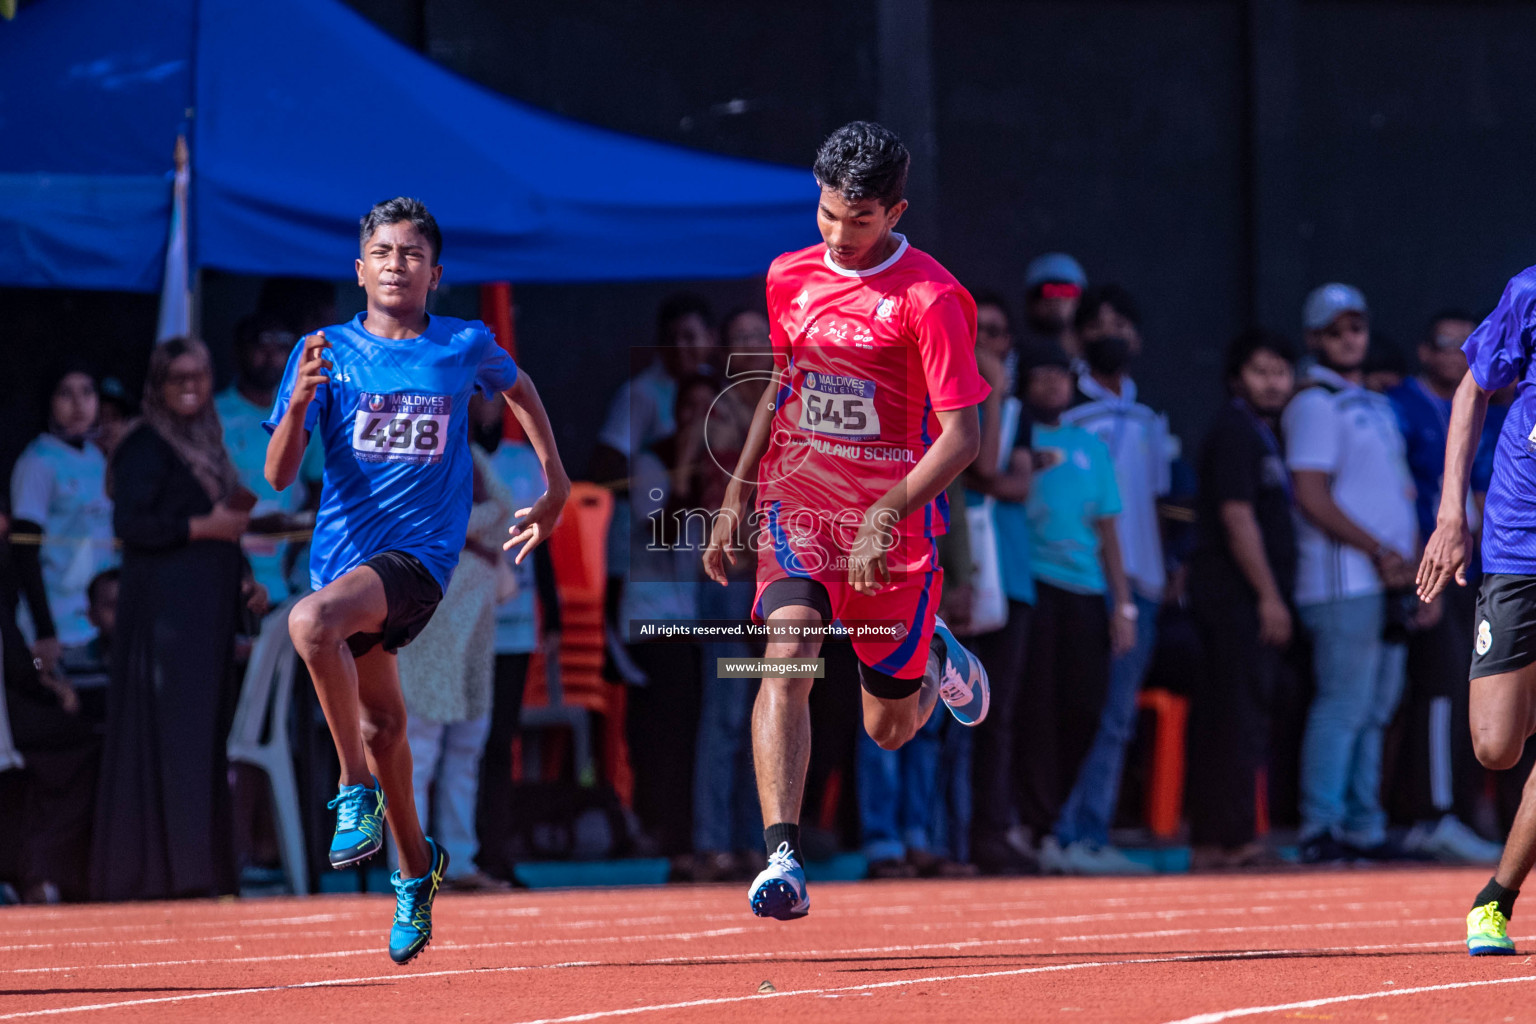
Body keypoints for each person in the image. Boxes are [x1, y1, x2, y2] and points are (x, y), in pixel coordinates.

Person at [264, 197, 568, 963]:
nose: (397, 264)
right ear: (358, 268)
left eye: (412, 253)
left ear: (436, 272)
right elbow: (276, 476)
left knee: (308, 624)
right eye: (384, 252)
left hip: (420, 561)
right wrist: (299, 405)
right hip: (346, 564)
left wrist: (556, 485)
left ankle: (351, 792)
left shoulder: (462, 344)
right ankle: (414, 868)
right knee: (386, 726)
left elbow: (522, 389)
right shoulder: (323, 351)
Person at [702, 121, 992, 921]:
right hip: (800, 508)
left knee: (890, 730)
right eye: (827, 214)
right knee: (785, 656)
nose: (838, 234)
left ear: (895, 212)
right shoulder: (787, 275)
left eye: (859, 220)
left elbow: (965, 437)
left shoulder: (932, 298)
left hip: (894, 528)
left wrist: (888, 511)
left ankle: (933, 655)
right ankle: (782, 858)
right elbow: (780, 385)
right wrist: (734, 496)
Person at [91, 337, 261, 901]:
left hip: (207, 618)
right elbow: (132, 525)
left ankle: (199, 869)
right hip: (164, 620)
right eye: (177, 378)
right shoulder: (144, 443)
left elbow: (225, 525)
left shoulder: (208, 442)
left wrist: (242, 580)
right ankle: (161, 874)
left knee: (203, 742)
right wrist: (201, 528)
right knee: (170, 741)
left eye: (200, 376)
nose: (190, 387)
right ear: (159, 385)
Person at [1417, 265, 1536, 955]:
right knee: (1496, 747)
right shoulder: (1528, 292)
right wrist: (1449, 514)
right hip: (1518, 543)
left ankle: (1496, 898)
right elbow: (1473, 388)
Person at [1284, 283, 1418, 862]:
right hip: (1344, 582)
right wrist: (1378, 549)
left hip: (1385, 578)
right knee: (1343, 703)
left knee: (1376, 707)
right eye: (1335, 330)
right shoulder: (1315, 402)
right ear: (1315, 339)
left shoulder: (1375, 403)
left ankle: (1363, 825)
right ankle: (1321, 826)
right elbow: (1310, 494)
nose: (1349, 338)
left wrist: (1409, 565)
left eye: (1356, 327)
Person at [1056, 283, 1172, 875]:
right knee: (1078, 710)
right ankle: (1065, 833)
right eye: (1097, 325)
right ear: (1077, 338)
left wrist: (1158, 576)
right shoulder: (1066, 414)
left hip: (1142, 586)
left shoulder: (1151, 418)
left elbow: (1154, 503)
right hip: (1085, 585)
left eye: (1121, 324)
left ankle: (1090, 833)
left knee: (1118, 716)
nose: (1111, 335)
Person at [1387, 311, 1504, 864]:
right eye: (1447, 343)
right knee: (1436, 691)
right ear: (1423, 350)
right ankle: (1433, 815)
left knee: (1468, 694)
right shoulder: (1399, 406)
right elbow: (1396, 491)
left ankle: (1453, 812)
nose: (1459, 352)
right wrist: (1419, 573)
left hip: (1475, 567)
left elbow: (1483, 488)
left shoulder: (1494, 407)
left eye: (1468, 343)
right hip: (1422, 563)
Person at [1014, 342, 1136, 873]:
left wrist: (1123, 606)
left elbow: (1109, 530)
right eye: (1040, 376)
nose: (1051, 386)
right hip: (1034, 587)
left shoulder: (1091, 446)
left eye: (1060, 377)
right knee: (1034, 712)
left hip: (1088, 595)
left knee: (1085, 711)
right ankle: (1035, 829)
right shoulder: (1011, 437)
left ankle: (1055, 825)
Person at [1185, 330, 1298, 869]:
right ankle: (1232, 838)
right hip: (1236, 598)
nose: (1273, 382)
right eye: (1261, 371)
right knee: (1236, 715)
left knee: (1233, 713)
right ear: (1236, 378)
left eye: (1281, 371)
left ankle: (1218, 837)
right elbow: (1236, 517)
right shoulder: (1235, 432)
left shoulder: (1261, 433)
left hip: (1242, 598)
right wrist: (1269, 597)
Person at [398, 397, 516, 893]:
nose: (485, 405)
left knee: (467, 744)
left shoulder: (474, 457)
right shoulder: (409, 461)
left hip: (474, 620)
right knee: (420, 746)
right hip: (430, 616)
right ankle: (413, 862)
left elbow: (504, 512)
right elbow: (437, 524)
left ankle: (460, 860)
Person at [961, 290, 1038, 874]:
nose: (986, 342)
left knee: (1000, 713)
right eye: (975, 331)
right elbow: (987, 470)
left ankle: (991, 829)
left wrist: (1005, 395)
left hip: (1010, 574)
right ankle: (948, 833)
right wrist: (995, 385)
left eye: (995, 332)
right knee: (944, 713)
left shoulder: (1019, 408)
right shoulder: (952, 394)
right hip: (954, 571)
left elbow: (1019, 483)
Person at [10, 367, 116, 675]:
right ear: (49, 401)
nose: (79, 404)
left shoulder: (97, 459)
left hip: (97, 627)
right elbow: (25, 550)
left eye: (87, 392)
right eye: (66, 393)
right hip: (56, 627)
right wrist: (45, 631)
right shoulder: (38, 461)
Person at [216, 309, 321, 602]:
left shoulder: (303, 413)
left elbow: (320, 488)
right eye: (262, 344)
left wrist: (293, 548)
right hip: (224, 573)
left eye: (282, 346)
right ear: (239, 351)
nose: (272, 355)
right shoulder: (214, 415)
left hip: (284, 580)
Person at [1020, 253, 1087, 359]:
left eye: (1066, 291)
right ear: (1030, 301)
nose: (1055, 297)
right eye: (1045, 291)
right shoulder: (1011, 361)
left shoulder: (1100, 363)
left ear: (1081, 299)